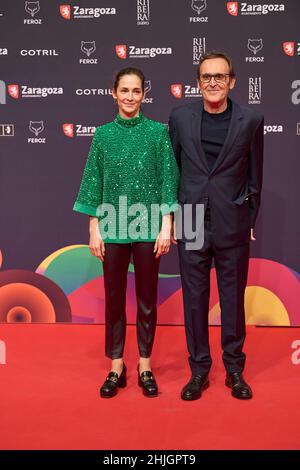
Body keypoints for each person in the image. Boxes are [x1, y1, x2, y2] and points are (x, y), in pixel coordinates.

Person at [73, 67, 179, 398]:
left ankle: (144, 364)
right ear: (114, 93)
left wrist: (167, 224)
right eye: (125, 91)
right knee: (115, 299)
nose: (130, 97)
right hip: (112, 226)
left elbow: (168, 179)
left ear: (144, 94)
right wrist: (94, 228)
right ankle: (116, 365)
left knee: (147, 300)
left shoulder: (159, 133)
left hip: (149, 226)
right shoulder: (103, 135)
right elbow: (94, 181)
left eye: (136, 91)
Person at [169, 52, 264, 400]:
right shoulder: (180, 118)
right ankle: (199, 371)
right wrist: (172, 216)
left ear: (232, 81)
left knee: (232, 299)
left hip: (233, 221)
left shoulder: (251, 119)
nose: (213, 82)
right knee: (195, 299)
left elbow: (256, 174)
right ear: (198, 82)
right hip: (191, 219)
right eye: (206, 76)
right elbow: (173, 172)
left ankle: (234, 370)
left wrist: (250, 219)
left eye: (220, 76)